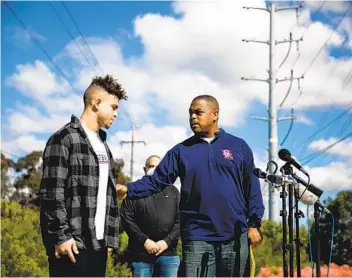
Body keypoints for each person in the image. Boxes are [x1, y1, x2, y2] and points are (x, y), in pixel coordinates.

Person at [117, 95, 265, 277]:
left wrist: (254, 223)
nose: (193, 117)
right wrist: (128, 189)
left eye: (198, 112)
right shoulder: (181, 151)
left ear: (215, 115)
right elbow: (157, 181)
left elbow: (252, 187)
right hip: (197, 236)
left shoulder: (238, 146)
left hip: (235, 234)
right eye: (190, 113)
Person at [39, 75, 127, 277]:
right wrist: (61, 237)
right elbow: (52, 192)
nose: (115, 114)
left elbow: (91, 187)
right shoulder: (64, 138)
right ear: (97, 103)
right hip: (71, 244)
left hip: (98, 244)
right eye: (113, 107)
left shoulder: (103, 145)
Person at [120, 155, 180, 277]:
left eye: (158, 167)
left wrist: (166, 242)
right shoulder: (133, 189)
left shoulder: (173, 191)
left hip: (168, 254)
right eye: (151, 166)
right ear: (145, 169)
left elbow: (180, 220)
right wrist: (144, 241)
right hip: (141, 256)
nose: (154, 169)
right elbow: (127, 219)